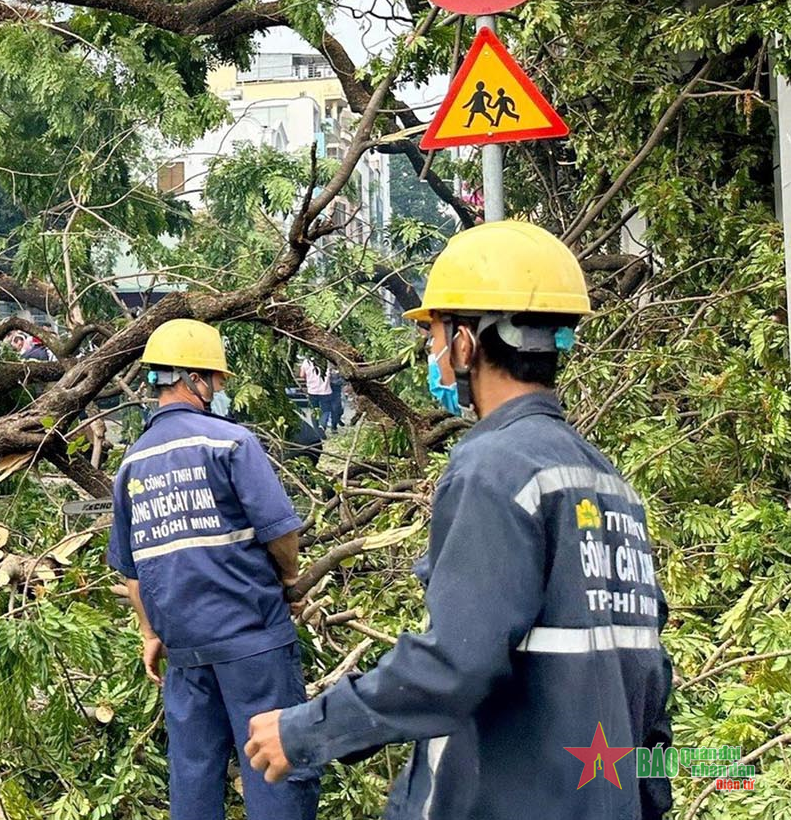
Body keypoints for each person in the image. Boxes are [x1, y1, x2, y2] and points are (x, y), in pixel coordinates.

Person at [244, 221, 673, 820]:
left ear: (467, 344)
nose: (431, 353)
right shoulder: (609, 483)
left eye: (435, 335)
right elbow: (652, 688)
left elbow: (456, 663)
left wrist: (305, 731)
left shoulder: (493, 467)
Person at [109, 319, 315, 820]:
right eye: (216, 382)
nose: (218, 391)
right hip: (253, 643)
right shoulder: (230, 443)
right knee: (277, 768)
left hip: (185, 651)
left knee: (194, 777)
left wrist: (148, 632)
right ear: (193, 378)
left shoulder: (132, 464)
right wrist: (290, 580)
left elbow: (133, 571)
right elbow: (280, 531)